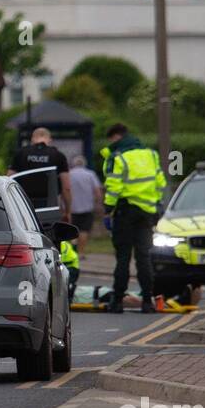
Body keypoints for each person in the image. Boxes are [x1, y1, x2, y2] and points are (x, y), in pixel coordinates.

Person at [101, 123, 166, 313]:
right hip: (147, 212)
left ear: (116, 137)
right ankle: (147, 300)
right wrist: (155, 204)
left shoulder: (118, 157)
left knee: (123, 257)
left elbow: (114, 187)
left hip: (125, 211)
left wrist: (107, 210)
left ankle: (118, 301)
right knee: (143, 258)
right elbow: (160, 183)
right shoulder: (151, 155)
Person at [8, 127, 72, 222]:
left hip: (23, 203)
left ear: (32, 139)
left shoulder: (21, 153)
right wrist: (68, 211)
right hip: (49, 205)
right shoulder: (58, 155)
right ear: (49, 140)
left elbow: (9, 178)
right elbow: (66, 187)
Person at [68, 155, 103, 255]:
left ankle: (72, 252)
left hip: (72, 207)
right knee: (84, 230)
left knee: (71, 231)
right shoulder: (90, 174)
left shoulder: (69, 174)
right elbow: (97, 190)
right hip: (87, 208)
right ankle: (81, 252)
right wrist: (98, 203)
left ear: (73, 164)